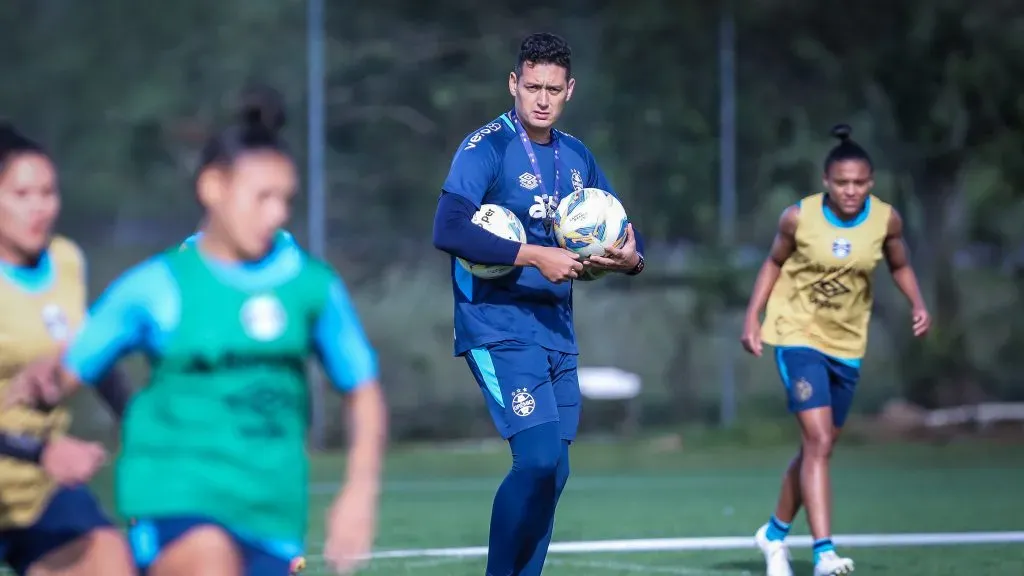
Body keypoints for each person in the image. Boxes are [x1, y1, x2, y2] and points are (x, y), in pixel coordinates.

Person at [9, 89, 388, 576]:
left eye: (285, 200)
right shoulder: (157, 287)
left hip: (269, 510)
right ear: (213, 188)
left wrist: (359, 493)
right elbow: (76, 364)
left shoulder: (309, 286)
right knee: (208, 557)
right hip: (173, 496)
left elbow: (363, 390)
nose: (277, 214)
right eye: (262, 198)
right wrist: (47, 385)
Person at [431, 32, 646, 576]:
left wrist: (628, 260)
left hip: (556, 329)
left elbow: (621, 232)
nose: (542, 99)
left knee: (556, 472)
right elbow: (448, 228)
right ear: (514, 84)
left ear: (569, 89)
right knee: (537, 459)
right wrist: (533, 255)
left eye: (553, 88)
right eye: (532, 87)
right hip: (497, 327)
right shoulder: (486, 148)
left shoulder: (577, 157)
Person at [741, 125, 930, 576]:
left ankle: (772, 534)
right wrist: (753, 316)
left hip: (847, 344)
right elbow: (773, 262)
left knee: (818, 447)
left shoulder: (886, 220)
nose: (851, 190)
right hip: (796, 334)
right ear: (827, 181)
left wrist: (918, 302)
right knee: (819, 440)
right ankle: (824, 552)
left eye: (860, 183)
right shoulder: (797, 218)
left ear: (871, 182)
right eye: (842, 182)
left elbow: (900, 264)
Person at [0, 122, 135, 575]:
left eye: (48, 192)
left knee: (111, 559)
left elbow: (91, 353)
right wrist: (41, 452)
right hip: (33, 461)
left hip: (36, 490)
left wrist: (142, 428)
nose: (39, 208)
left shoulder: (66, 260)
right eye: (22, 195)